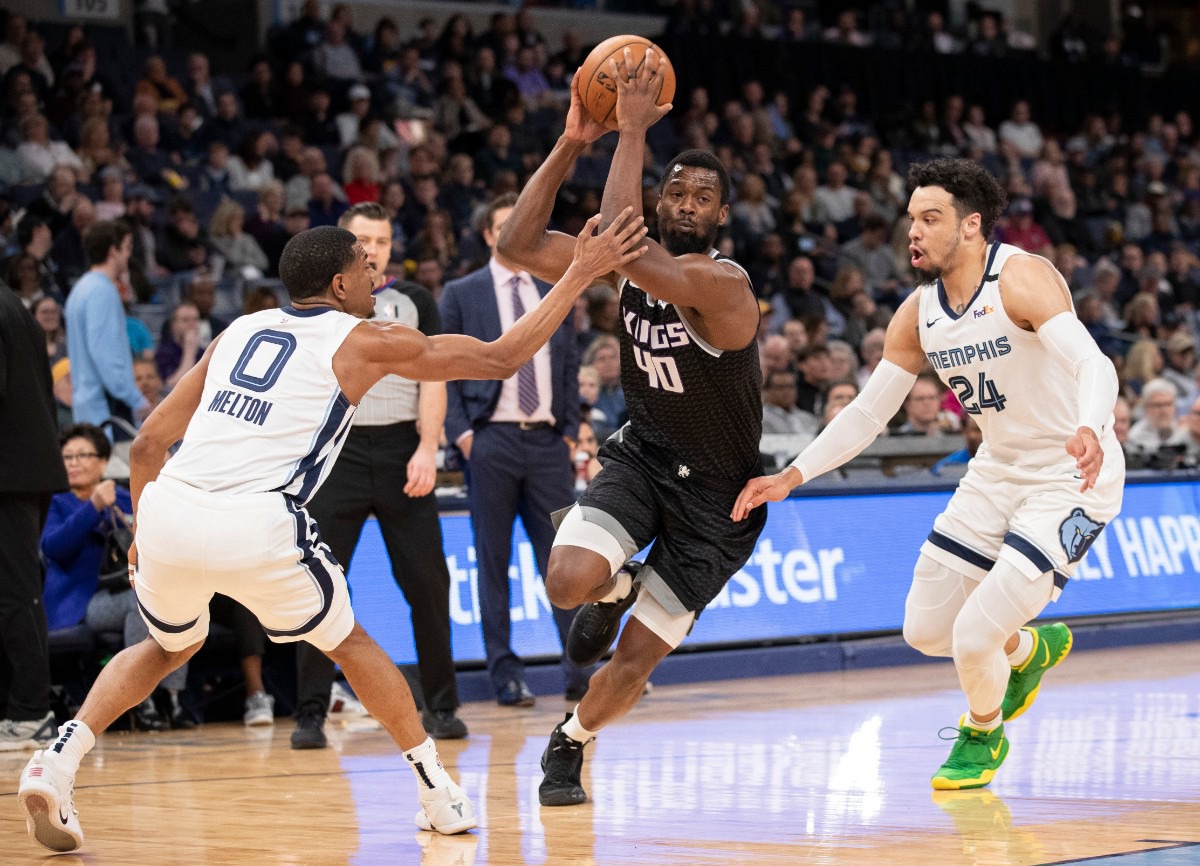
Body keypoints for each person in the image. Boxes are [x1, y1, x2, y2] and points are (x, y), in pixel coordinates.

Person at [16, 216, 647, 853]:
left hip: (170, 509)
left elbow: (150, 442)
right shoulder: (364, 338)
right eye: (365, 269)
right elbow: (500, 357)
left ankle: (58, 760)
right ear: (341, 283)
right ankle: (439, 793)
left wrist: (141, 534)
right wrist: (580, 272)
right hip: (254, 519)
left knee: (167, 646)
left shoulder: (240, 329)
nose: (376, 276)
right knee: (350, 644)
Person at [733, 157, 1124, 791]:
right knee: (926, 629)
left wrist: (1092, 425)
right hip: (996, 469)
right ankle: (1029, 651)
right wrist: (793, 474)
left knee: (974, 634)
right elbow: (867, 412)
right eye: (911, 218)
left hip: (1070, 473)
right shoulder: (919, 313)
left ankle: (982, 733)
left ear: (971, 226)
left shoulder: (1021, 280)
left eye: (930, 218)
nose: (913, 231)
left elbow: (1094, 363)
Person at [496, 51, 766, 807]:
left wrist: (635, 133)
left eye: (701, 195)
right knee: (567, 583)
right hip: (644, 459)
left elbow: (634, 250)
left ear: (720, 216)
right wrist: (574, 140)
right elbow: (514, 248)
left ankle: (569, 743)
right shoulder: (624, 267)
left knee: (635, 661)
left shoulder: (723, 285)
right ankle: (613, 584)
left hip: (720, 502)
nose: (684, 199)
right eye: (674, 188)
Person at [292, 202, 467, 750]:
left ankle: (442, 706)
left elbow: (435, 377)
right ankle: (310, 713)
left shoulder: (413, 301)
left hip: (401, 452)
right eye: (362, 240)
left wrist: (426, 447)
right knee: (315, 587)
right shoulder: (319, 308)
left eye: (384, 241)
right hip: (335, 456)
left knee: (428, 584)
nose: (373, 250)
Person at [441, 194, 592, 707]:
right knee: (493, 561)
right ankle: (505, 674)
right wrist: (464, 437)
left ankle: (580, 670)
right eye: (506, 227)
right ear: (489, 236)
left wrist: (569, 430)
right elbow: (444, 370)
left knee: (565, 559)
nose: (517, 235)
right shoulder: (463, 293)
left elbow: (569, 366)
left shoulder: (556, 288)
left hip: (549, 442)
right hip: (492, 441)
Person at [40, 424, 187, 732]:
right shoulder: (56, 501)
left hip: (126, 586)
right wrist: (93, 507)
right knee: (139, 602)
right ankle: (142, 699)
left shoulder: (124, 497)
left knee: (173, 598)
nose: (74, 462)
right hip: (81, 602)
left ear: (104, 461)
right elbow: (54, 547)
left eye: (82, 455)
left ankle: (172, 697)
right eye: (67, 457)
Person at [0, 284, 68, 749]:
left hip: (11, 474)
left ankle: (29, 711)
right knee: (16, 591)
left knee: (15, 593)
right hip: (25, 468)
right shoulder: (12, 302)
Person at [63, 220, 150, 428]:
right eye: (127, 248)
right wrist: (136, 399)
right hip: (107, 410)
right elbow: (105, 355)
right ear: (113, 250)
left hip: (88, 406)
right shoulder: (102, 292)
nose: (129, 255)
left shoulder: (79, 289)